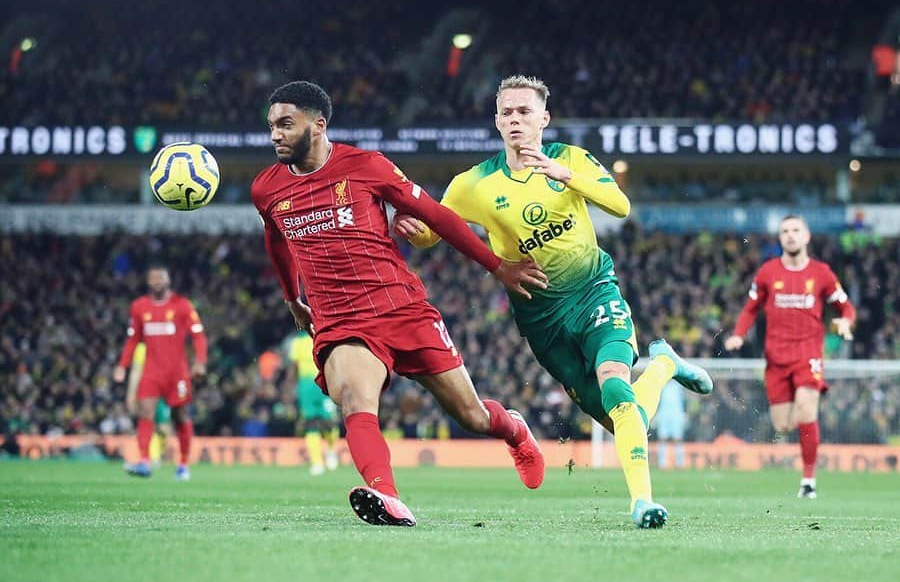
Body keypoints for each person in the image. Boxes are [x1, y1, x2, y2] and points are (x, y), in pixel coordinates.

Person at [393, 75, 713, 528]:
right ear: (497, 121)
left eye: (524, 111)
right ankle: (664, 366)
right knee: (623, 416)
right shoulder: (474, 184)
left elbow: (620, 205)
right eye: (507, 112)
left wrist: (568, 177)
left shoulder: (570, 159)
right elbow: (435, 231)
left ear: (544, 118)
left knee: (616, 387)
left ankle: (642, 503)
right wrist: (414, 230)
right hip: (540, 316)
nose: (515, 119)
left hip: (593, 290)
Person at [252, 80, 549, 527]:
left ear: (318, 125)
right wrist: (293, 297)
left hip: (401, 308)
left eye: (285, 124)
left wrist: (497, 265)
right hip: (340, 320)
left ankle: (513, 429)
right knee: (354, 400)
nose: (275, 134)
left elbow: (438, 216)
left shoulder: (367, 166)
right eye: (272, 125)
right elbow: (275, 241)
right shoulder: (266, 189)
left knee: (471, 415)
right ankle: (386, 496)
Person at [724, 214, 856, 499]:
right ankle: (806, 423)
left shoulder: (822, 273)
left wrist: (845, 321)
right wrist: (738, 333)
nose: (790, 235)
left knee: (807, 410)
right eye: (785, 231)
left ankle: (808, 482)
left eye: (796, 230)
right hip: (776, 359)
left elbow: (846, 307)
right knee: (783, 425)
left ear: (807, 236)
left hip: (808, 354)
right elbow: (750, 308)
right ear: (780, 238)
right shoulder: (768, 273)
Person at [113, 265, 207, 480]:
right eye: (153, 278)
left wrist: (200, 362)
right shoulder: (139, 307)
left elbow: (199, 336)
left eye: (161, 278)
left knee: (180, 415)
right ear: (148, 282)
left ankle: (183, 464)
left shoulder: (182, 306)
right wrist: (122, 365)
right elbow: (133, 339)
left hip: (178, 373)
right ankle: (145, 461)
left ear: (168, 280)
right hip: (152, 372)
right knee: (145, 412)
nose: (157, 282)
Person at [287, 329, 340, 475]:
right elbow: (294, 366)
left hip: (324, 380)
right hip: (306, 386)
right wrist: (290, 388)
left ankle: (331, 450)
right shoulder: (298, 341)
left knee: (329, 421)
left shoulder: (324, 334)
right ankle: (317, 463)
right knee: (310, 423)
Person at [125, 342, 174, 468]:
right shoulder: (141, 348)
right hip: (146, 391)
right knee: (148, 423)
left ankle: (159, 453)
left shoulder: (166, 344)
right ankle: (150, 458)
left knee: (163, 428)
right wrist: (132, 394)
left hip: (163, 392)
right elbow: (136, 371)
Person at [654, 380, 686, 469]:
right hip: (663, 414)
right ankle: (662, 463)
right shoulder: (661, 383)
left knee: (678, 439)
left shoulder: (679, 384)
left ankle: (680, 463)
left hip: (676, 414)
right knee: (662, 438)